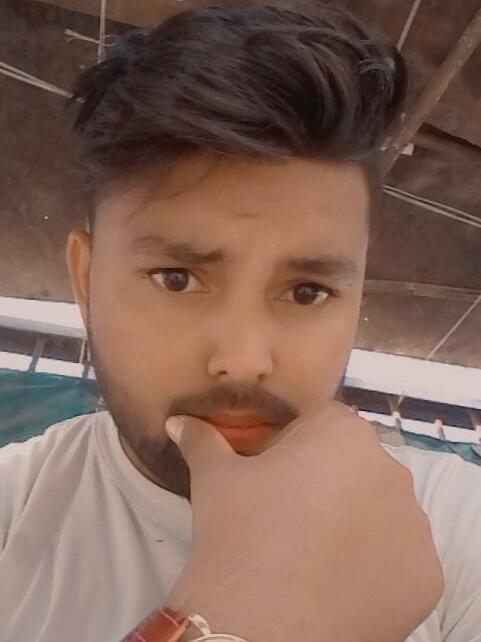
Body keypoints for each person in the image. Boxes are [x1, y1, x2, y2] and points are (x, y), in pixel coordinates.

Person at [1, 3, 480, 641]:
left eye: (307, 291)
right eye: (177, 279)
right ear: (86, 283)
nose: (244, 359)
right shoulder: (11, 512)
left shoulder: (459, 527)